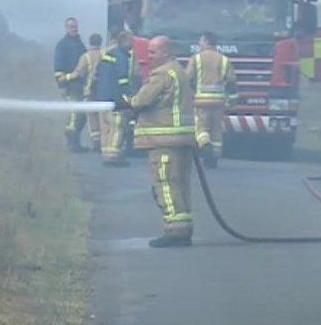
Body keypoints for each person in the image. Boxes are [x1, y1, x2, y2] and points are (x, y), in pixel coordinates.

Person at [117, 36, 196, 247]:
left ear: (166, 52)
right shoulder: (177, 71)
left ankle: (175, 231)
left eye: (153, 52)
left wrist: (126, 102)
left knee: (166, 183)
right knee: (180, 184)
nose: (149, 57)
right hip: (180, 140)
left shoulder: (161, 74)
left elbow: (141, 100)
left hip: (163, 141)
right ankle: (183, 228)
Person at [186, 31, 237, 168]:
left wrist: (188, 96)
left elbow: (188, 79)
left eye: (201, 41)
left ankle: (205, 145)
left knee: (201, 127)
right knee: (216, 130)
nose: (199, 44)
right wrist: (232, 100)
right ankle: (213, 158)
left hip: (201, 102)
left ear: (207, 42)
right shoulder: (224, 60)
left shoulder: (196, 59)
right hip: (218, 102)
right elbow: (231, 83)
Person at [94, 30, 136, 165]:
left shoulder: (107, 55)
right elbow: (123, 79)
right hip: (115, 98)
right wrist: (127, 97)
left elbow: (97, 74)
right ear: (124, 41)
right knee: (117, 126)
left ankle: (106, 153)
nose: (133, 44)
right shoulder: (121, 57)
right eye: (131, 41)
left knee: (105, 126)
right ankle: (113, 156)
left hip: (102, 96)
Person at [62, 33, 104, 152]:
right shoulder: (105, 54)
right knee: (102, 117)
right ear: (100, 42)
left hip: (89, 91)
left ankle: (97, 143)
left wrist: (66, 77)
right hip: (103, 91)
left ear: (90, 42)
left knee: (92, 118)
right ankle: (103, 141)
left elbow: (78, 73)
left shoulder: (86, 57)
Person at [53, 17, 88, 152]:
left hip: (79, 84)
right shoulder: (62, 45)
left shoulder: (79, 43)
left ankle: (75, 142)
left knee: (81, 114)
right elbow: (58, 66)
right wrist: (61, 86)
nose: (74, 28)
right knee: (75, 114)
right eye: (71, 26)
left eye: (75, 26)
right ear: (66, 28)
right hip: (69, 84)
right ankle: (71, 143)